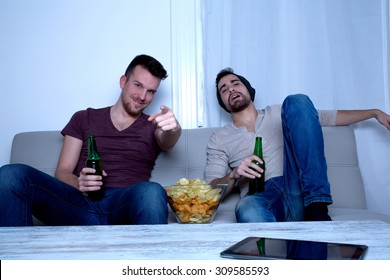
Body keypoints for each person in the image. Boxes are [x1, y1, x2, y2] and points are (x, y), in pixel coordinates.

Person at [0, 54, 181, 226]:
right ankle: (14, 257)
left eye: (151, 92)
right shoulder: (84, 118)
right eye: (138, 85)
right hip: (79, 205)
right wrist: (79, 183)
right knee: (10, 175)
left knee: (152, 191)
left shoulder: (154, 126)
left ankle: (151, 259)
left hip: (123, 206)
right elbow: (62, 172)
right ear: (123, 81)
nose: (142, 96)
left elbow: (168, 139)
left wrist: (174, 128)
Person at [205, 67, 390, 223]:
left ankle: (317, 206)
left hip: (296, 188)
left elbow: (328, 117)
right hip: (259, 197)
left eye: (235, 83)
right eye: (223, 89)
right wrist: (234, 174)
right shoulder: (219, 138)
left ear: (248, 89)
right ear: (222, 102)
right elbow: (210, 190)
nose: (230, 89)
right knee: (246, 206)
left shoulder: (279, 112)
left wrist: (374, 113)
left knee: (297, 100)